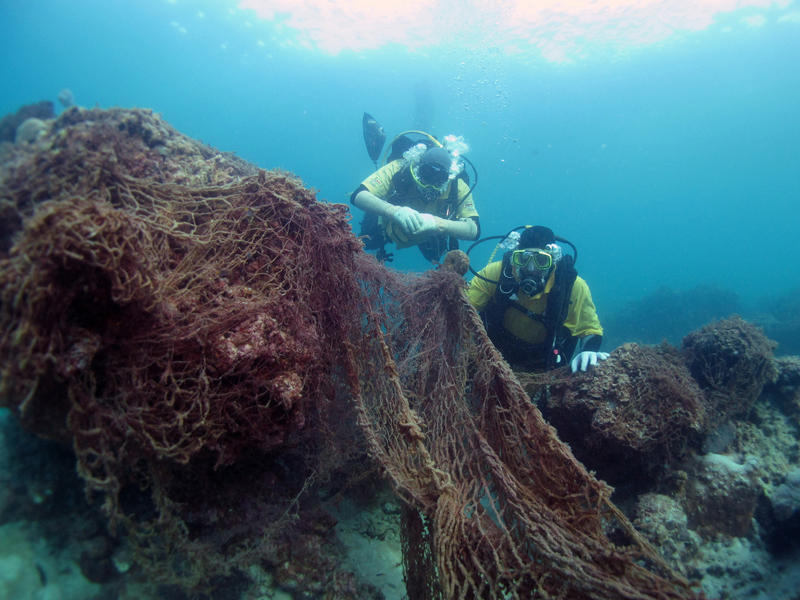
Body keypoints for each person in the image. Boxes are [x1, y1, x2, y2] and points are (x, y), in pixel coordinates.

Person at [467, 225, 609, 373]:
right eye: (523, 259)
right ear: (514, 258)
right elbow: (465, 306)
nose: (530, 268)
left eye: (541, 261)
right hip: (491, 354)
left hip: (543, 363)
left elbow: (590, 329)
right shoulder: (495, 273)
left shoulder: (573, 287)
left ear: (553, 261)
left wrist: (589, 350)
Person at [351, 135, 480, 263]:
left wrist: (437, 224)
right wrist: (394, 211)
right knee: (367, 241)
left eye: (439, 179)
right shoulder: (400, 168)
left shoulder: (457, 186)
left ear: (448, 177)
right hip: (388, 223)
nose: (430, 184)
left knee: (436, 256)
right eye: (427, 173)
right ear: (418, 166)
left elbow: (474, 229)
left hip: (430, 233)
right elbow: (358, 195)